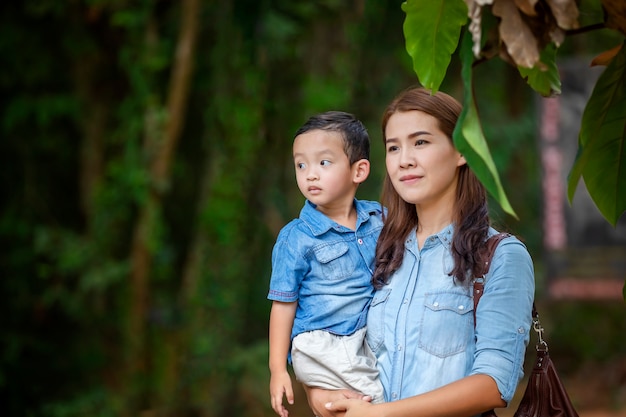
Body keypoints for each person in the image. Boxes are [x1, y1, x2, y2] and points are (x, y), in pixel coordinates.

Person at [305, 86, 535, 417]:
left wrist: (383, 414)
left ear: (461, 151)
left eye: (421, 142)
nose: (405, 160)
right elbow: (325, 334)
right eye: (393, 147)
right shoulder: (375, 249)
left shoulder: (500, 256)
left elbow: (495, 384)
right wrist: (319, 395)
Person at [268, 111, 386, 417]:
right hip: (324, 344)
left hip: (362, 342)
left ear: (358, 171)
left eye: (323, 162)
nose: (310, 174)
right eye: (300, 164)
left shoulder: (379, 219)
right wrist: (277, 369)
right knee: (381, 403)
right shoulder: (296, 238)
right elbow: (283, 305)